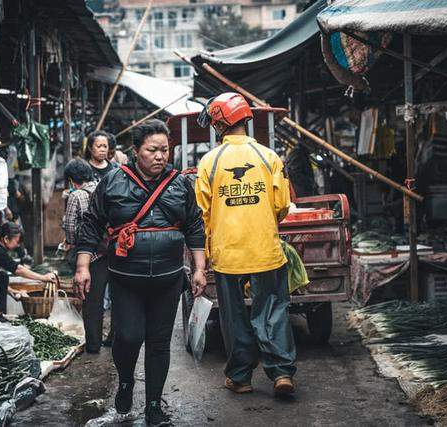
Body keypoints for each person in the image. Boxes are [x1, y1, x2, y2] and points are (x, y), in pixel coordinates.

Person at [74, 119, 206, 426]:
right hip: (125, 279)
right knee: (129, 336)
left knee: (159, 343)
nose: (161, 156)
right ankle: (125, 382)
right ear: (136, 151)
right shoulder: (114, 181)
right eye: (152, 150)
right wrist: (82, 266)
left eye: (165, 149)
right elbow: (92, 223)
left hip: (168, 278)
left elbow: (195, 225)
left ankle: (154, 406)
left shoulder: (178, 184)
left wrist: (199, 268)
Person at [195, 92, 297, 397]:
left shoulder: (209, 162)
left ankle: (240, 377)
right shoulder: (269, 157)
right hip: (265, 250)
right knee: (273, 310)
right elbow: (282, 205)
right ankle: (281, 374)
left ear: (219, 123)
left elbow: (203, 212)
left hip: (227, 255)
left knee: (234, 316)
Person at [62, 158, 109, 353]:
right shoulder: (104, 188)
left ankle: (93, 344)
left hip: (90, 256)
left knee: (92, 301)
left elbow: (71, 228)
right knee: (117, 297)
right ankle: (114, 338)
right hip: (112, 250)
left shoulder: (77, 195)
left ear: (72, 179)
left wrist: (71, 244)